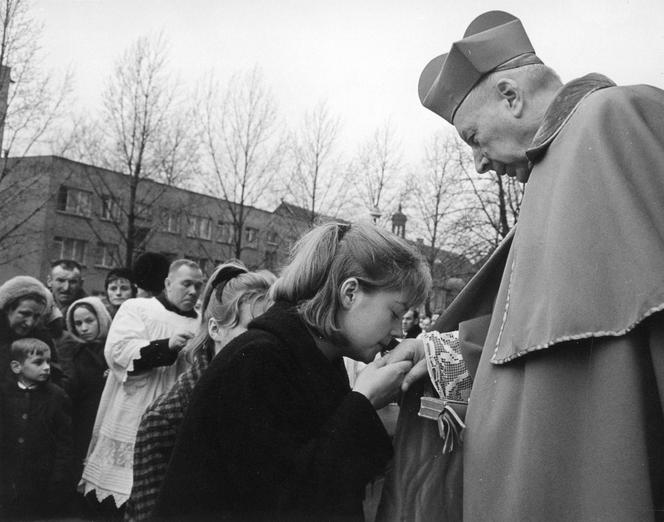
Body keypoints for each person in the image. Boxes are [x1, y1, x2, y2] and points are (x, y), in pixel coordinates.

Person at [384, 10, 664, 521]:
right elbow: (537, 323)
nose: (479, 163)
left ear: (510, 96)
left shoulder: (617, 117)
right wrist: (443, 352)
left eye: (472, 136)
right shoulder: (552, 171)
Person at [154, 222, 432, 521]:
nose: (396, 332)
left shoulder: (308, 354)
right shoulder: (258, 359)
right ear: (350, 293)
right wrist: (363, 403)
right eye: (394, 313)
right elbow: (288, 500)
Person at [125, 262, 275, 521]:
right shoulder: (168, 417)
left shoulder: (272, 395)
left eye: (272, 331)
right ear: (216, 329)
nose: (267, 344)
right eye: (251, 331)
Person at [79, 259, 203, 512]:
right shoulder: (137, 307)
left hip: (173, 415)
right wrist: (166, 346)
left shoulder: (201, 321)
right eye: (186, 284)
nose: (193, 291)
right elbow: (117, 351)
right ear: (168, 283)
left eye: (198, 286)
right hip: (134, 405)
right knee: (113, 500)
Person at [0, 338, 75, 519]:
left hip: (41, 480)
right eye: (38, 362)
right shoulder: (4, 394)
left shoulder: (57, 396)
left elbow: (64, 441)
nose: (47, 367)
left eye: (48, 361)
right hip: (7, 478)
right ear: (17, 367)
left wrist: (58, 477)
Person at [64, 297, 112, 479]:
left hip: (109, 417)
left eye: (89, 321)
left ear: (101, 318)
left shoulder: (114, 347)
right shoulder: (75, 352)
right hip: (83, 421)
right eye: (78, 323)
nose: (83, 328)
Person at [0, 275, 70, 389]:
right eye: (24, 314)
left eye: (36, 316)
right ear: (8, 308)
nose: (30, 323)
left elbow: (57, 378)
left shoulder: (41, 338)